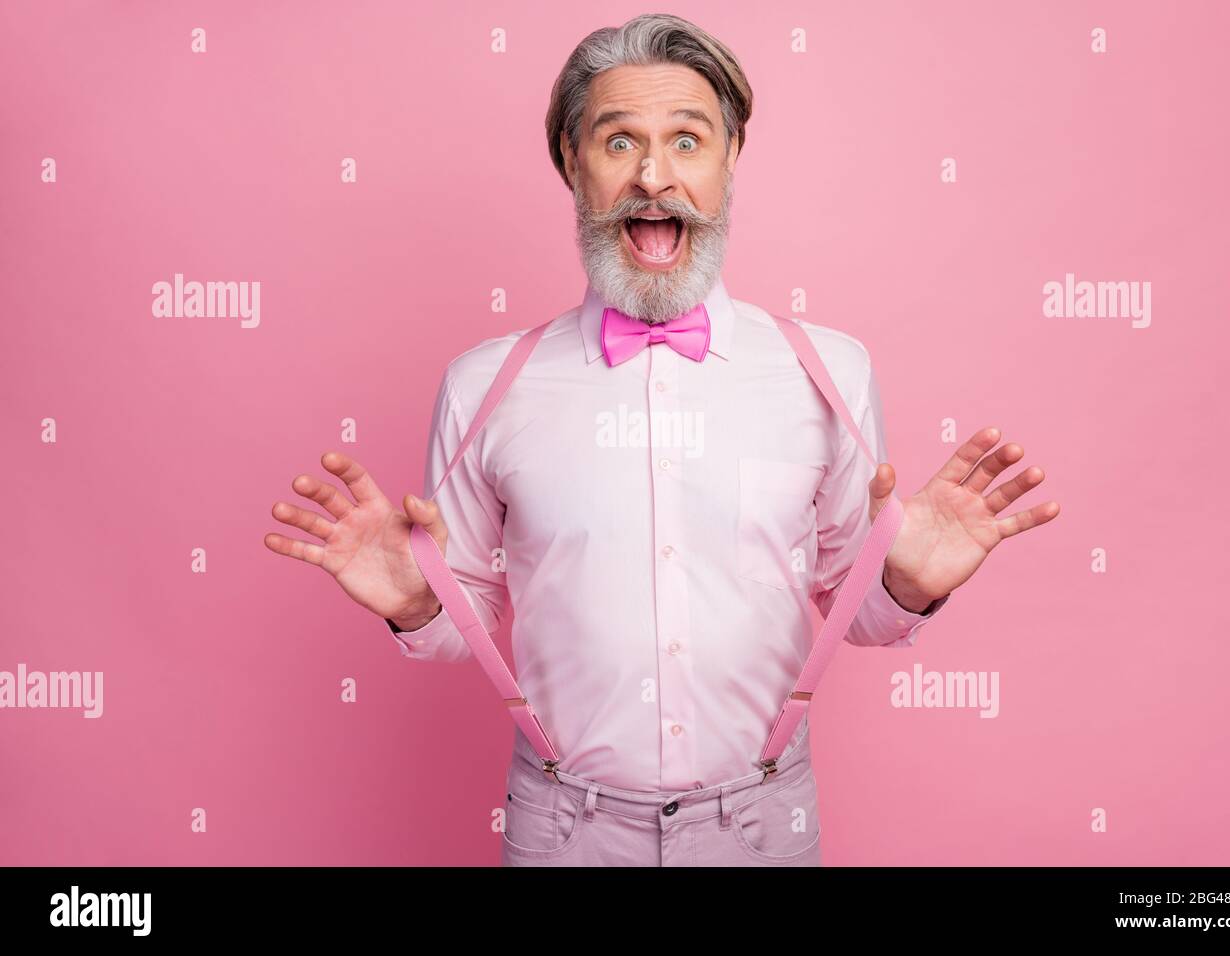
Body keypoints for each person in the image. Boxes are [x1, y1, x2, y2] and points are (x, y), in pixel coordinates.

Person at [263, 13, 1059, 867]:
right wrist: (419, 602)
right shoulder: (483, 385)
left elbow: (848, 601)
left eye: (687, 140)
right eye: (618, 143)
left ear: (730, 158)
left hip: (764, 824)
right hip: (561, 828)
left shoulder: (828, 371)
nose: (654, 177)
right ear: (572, 163)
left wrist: (902, 584)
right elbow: (466, 611)